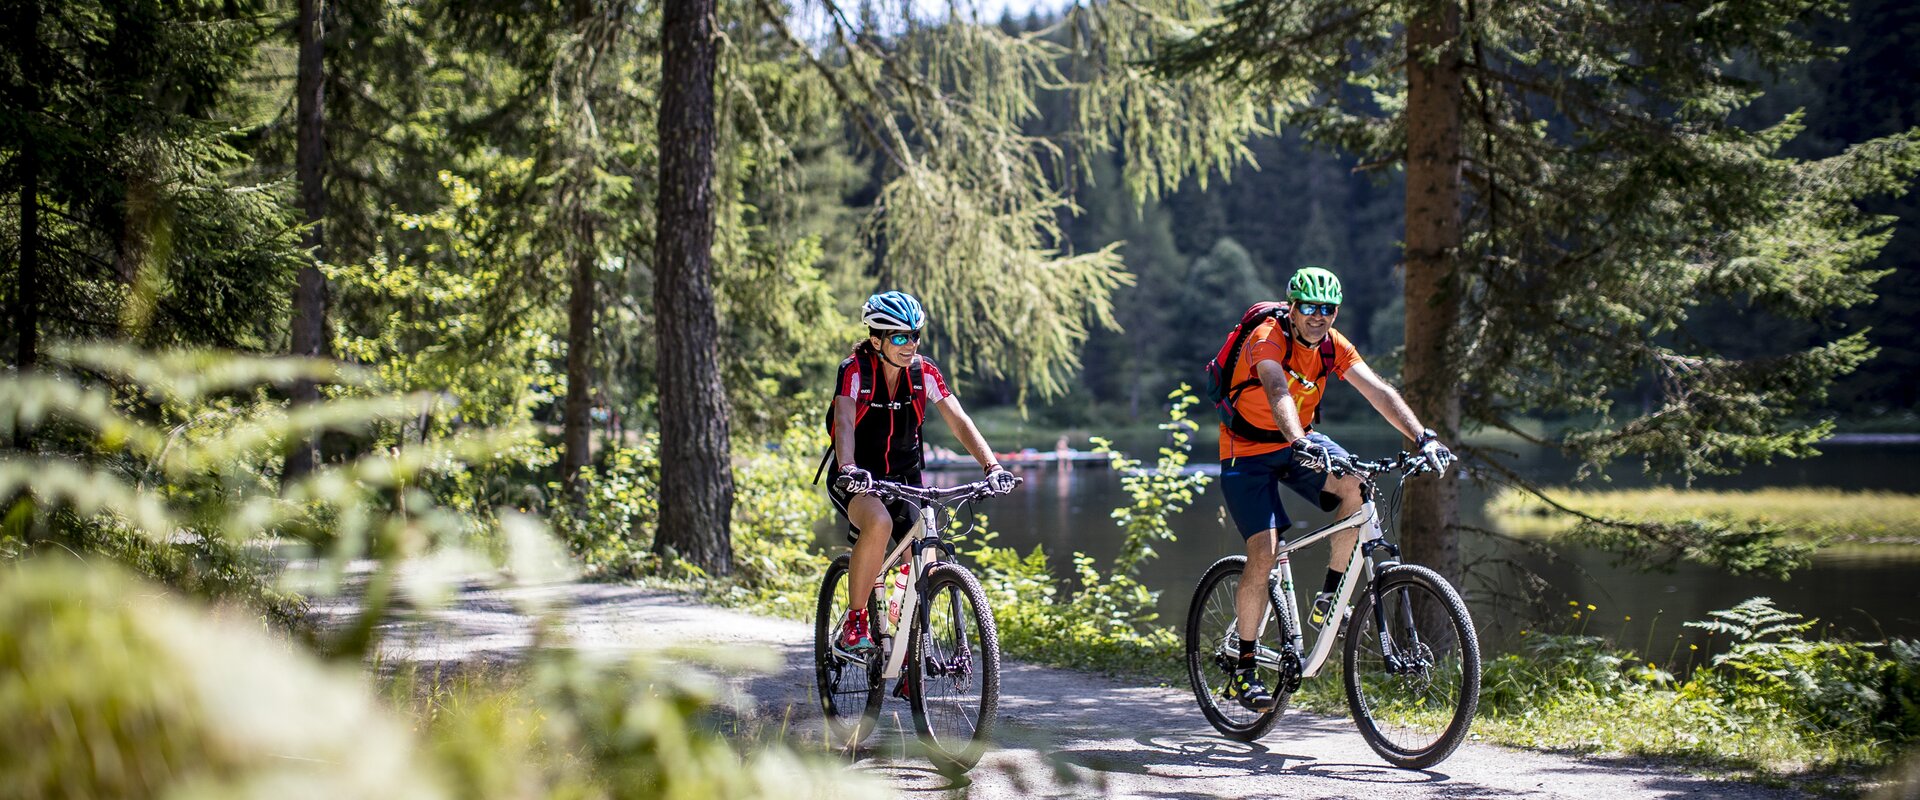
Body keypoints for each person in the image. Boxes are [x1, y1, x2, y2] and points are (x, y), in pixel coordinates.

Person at [1215, 266, 1456, 712]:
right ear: (1292, 308)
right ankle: (1243, 667)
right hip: (1247, 451)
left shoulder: (1332, 346)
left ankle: (1329, 597)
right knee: (1264, 552)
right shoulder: (1268, 338)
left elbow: (1378, 391)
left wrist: (1423, 436)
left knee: (1356, 486)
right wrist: (1299, 440)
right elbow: (1275, 389)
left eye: (1327, 309)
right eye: (1309, 307)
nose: (1318, 316)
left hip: (1297, 443)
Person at [830, 291, 1018, 658]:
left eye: (915, 335)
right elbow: (843, 421)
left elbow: (959, 420)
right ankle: (856, 621)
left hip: (906, 480)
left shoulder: (923, 372)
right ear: (876, 340)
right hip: (858, 477)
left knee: (925, 553)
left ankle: (909, 648)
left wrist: (992, 465)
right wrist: (849, 467)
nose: (910, 344)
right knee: (880, 524)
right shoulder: (855, 371)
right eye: (900, 337)